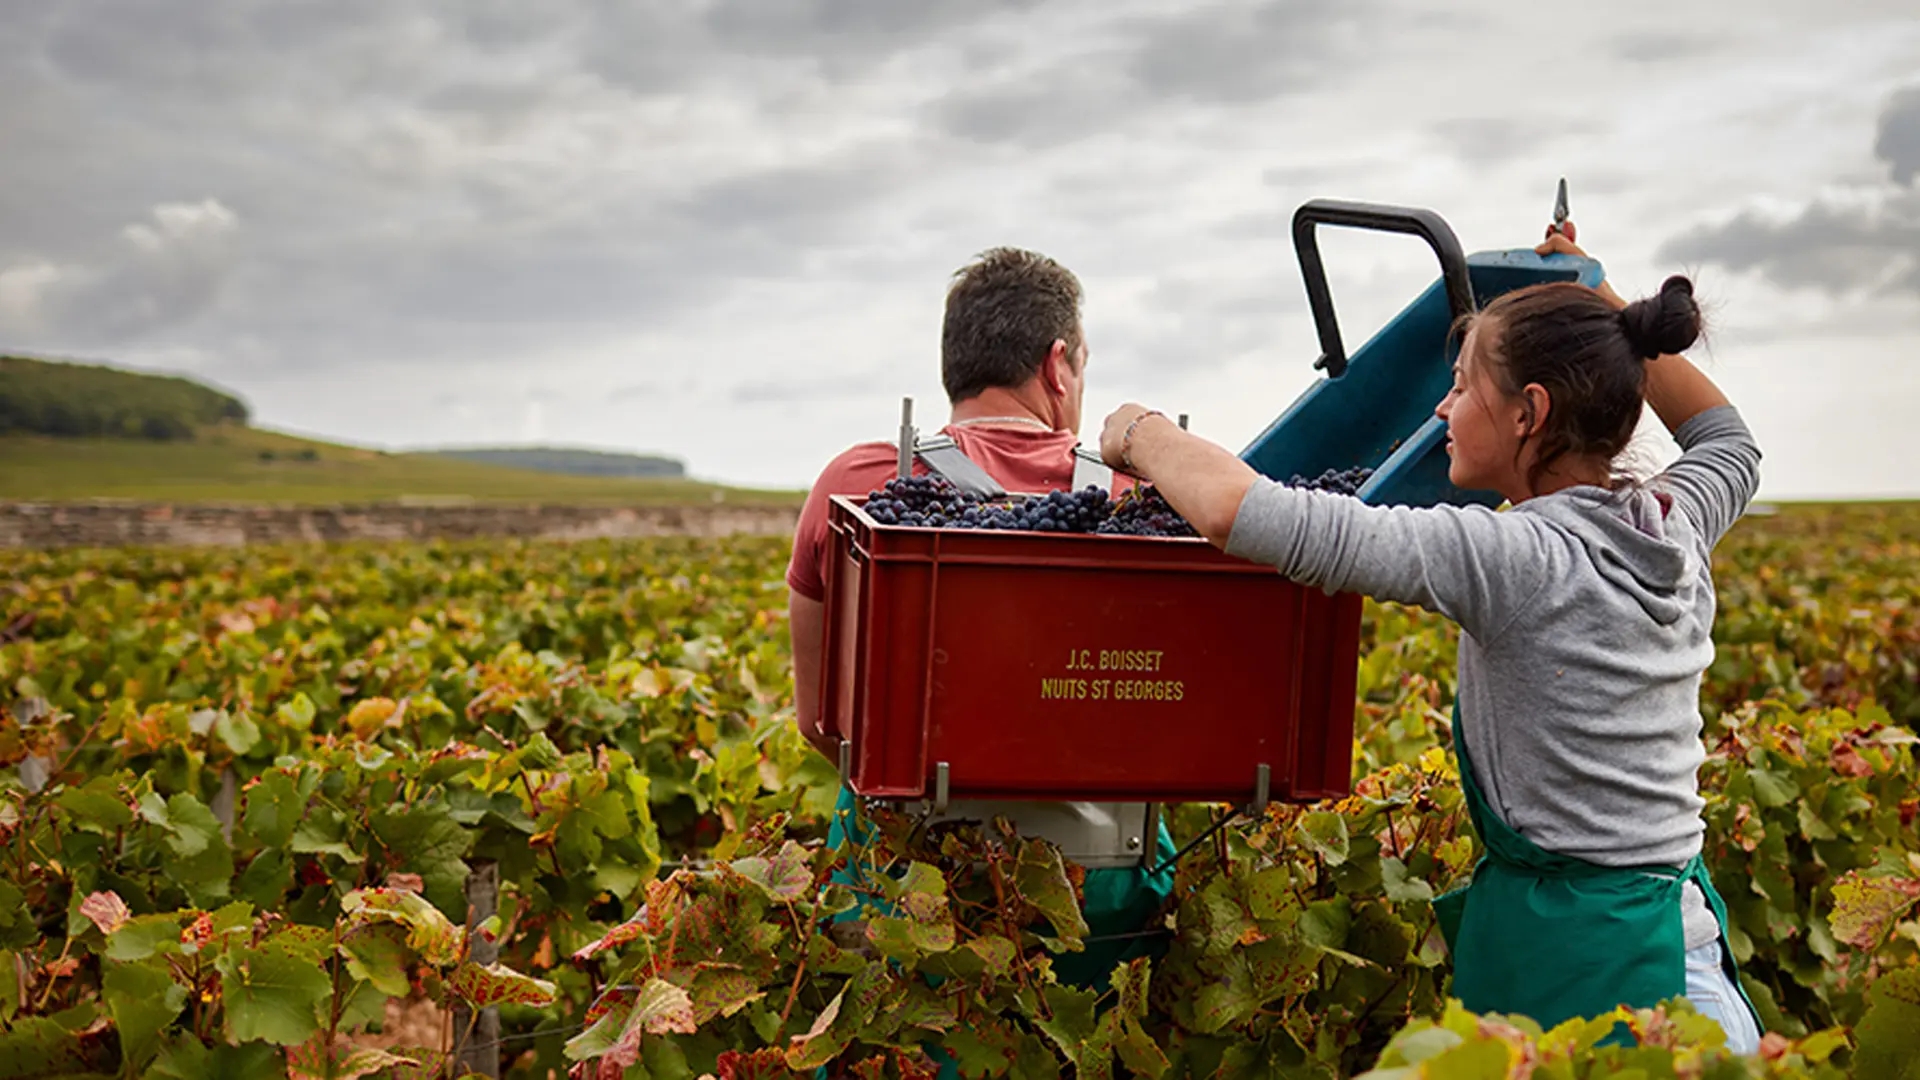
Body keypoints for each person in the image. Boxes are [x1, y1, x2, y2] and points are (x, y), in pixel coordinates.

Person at [1094, 223, 1765, 1051]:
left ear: (1531, 413)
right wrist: (1599, 300)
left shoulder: (1515, 557)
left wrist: (1140, 434)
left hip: (1611, 997)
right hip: (1689, 965)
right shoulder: (1677, 521)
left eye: (1459, 387)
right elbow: (1727, 437)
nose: (1443, 409)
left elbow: (1247, 513)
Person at [785, 247, 1175, 995]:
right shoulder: (1139, 497)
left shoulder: (857, 487)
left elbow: (821, 724)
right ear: (1058, 365)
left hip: (904, 887)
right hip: (1101, 895)